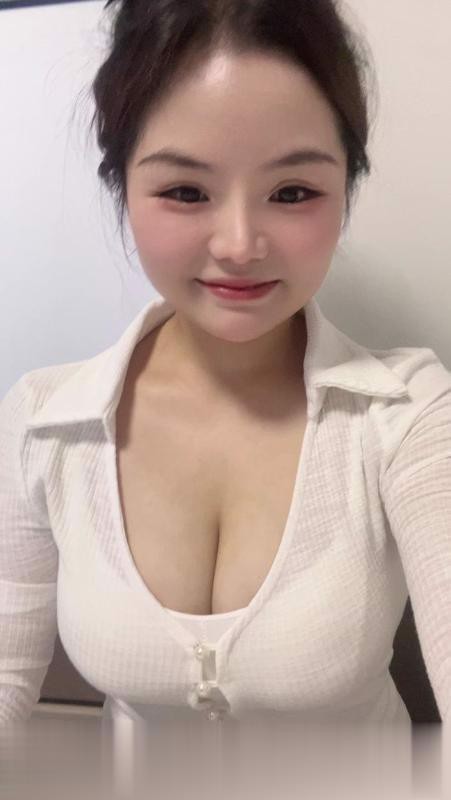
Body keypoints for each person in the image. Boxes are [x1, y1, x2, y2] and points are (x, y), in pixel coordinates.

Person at [1, 0, 450, 728]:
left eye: (292, 192)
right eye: (185, 191)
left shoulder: (407, 416)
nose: (239, 244)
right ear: (121, 185)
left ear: (346, 187)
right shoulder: (44, 424)